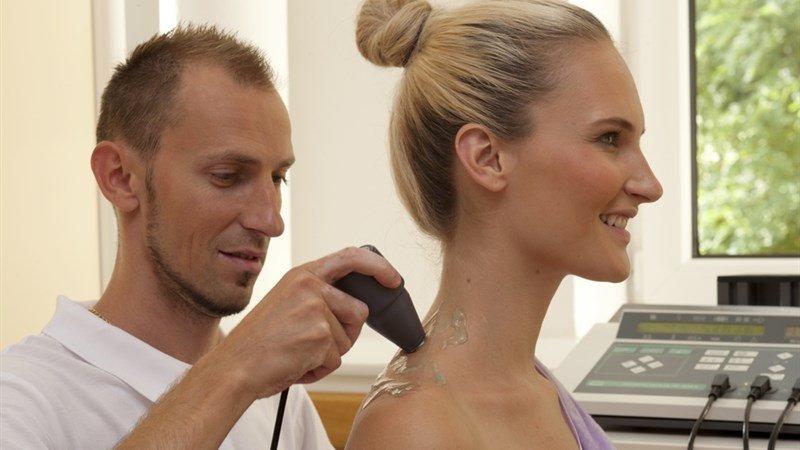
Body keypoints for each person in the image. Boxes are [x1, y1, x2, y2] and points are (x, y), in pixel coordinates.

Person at [0, 24, 403, 449]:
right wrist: (237, 368)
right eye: (227, 176)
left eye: (278, 178)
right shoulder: (21, 400)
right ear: (119, 177)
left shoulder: (279, 400)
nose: (271, 221)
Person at [348, 0, 663, 448]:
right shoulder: (416, 429)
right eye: (609, 138)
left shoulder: (539, 389)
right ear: (487, 158)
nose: (651, 186)